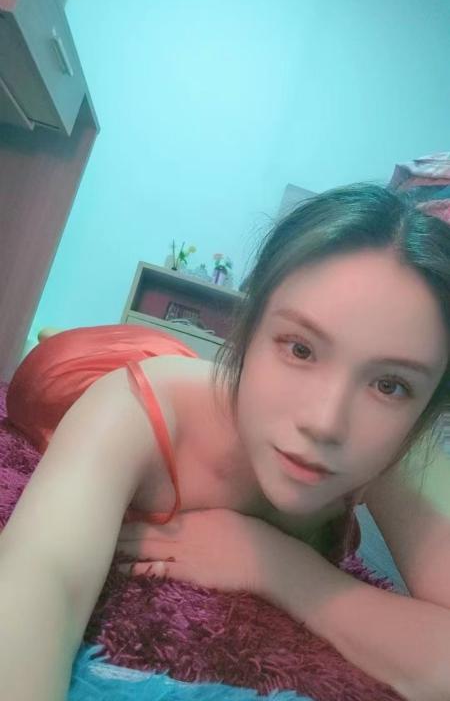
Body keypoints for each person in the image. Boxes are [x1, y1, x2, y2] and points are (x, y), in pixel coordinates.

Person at [1, 182, 450, 701]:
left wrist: (280, 566)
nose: (325, 423)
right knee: (52, 365)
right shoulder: (134, 408)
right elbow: (41, 578)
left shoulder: (403, 446)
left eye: (389, 385)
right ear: (246, 331)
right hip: (90, 370)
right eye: (300, 349)